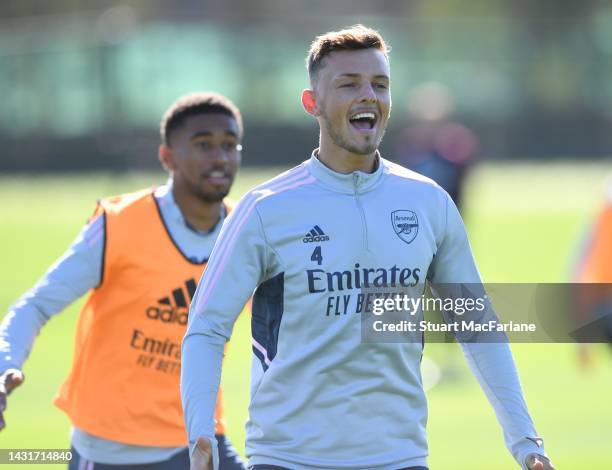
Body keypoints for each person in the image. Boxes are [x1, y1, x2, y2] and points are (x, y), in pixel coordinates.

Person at [181, 26, 554, 470]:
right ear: (312, 103)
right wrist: (200, 434)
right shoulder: (266, 209)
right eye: (349, 84)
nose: (368, 95)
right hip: (288, 459)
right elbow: (207, 327)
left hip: (400, 459)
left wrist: (526, 443)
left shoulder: (428, 201)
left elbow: (477, 327)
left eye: (380, 84)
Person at [0, 92, 247, 470]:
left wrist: (373, 336)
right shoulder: (119, 224)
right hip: (111, 452)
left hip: (200, 441)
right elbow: (36, 304)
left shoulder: (245, 234)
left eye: (229, 145)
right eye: (203, 145)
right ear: (167, 157)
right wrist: (5, 365)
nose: (219, 157)